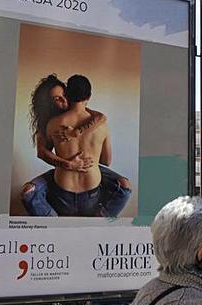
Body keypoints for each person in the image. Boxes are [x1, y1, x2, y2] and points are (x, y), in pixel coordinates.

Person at [21, 74, 131, 217]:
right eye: (57, 99)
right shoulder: (100, 125)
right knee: (122, 187)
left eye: (64, 95)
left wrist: (77, 132)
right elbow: (106, 161)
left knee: (124, 184)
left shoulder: (53, 124)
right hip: (89, 193)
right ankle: (98, 219)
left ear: (69, 93)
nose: (64, 100)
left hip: (63, 192)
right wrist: (70, 165)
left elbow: (100, 116)